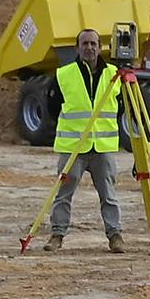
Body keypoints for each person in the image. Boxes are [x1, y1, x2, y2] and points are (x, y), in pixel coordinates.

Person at [47, 28, 129, 254]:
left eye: (93, 43)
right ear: (77, 48)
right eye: (84, 43)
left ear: (100, 47)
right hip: (73, 147)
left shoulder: (114, 74)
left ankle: (115, 236)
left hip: (102, 147)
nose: (89, 48)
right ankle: (57, 235)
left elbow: (122, 106)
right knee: (63, 194)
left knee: (109, 195)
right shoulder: (64, 74)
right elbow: (53, 107)